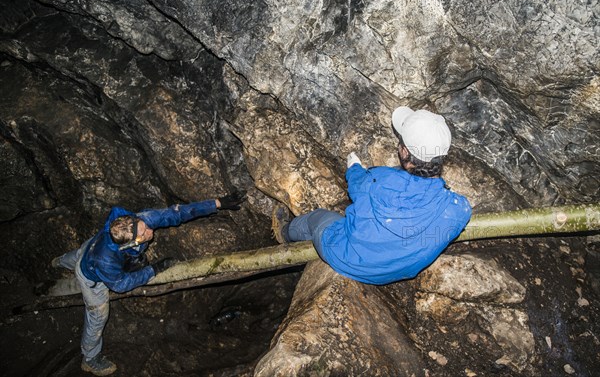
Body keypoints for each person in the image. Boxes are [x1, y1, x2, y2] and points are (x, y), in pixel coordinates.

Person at [52, 190, 246, 376]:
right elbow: (120, 284)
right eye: (144, 233)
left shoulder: (139, 221)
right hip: (91, 273)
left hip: (91, 246)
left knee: (81, 252)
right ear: (129, 244)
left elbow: (176, 213)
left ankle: (59, 261)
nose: (150, 230)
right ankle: (90, 359)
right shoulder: (106, 261)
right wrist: (153, 270)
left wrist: (217, 203)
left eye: (144, 226)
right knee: (97, 316)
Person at [272, 106, 472, 285]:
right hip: (399, 270)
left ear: (404, 152)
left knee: (317, 218)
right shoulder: (459, 209)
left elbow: (358, 185)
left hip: (350, 257)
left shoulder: (380, 181)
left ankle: (285, 233)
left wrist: (354, 167)